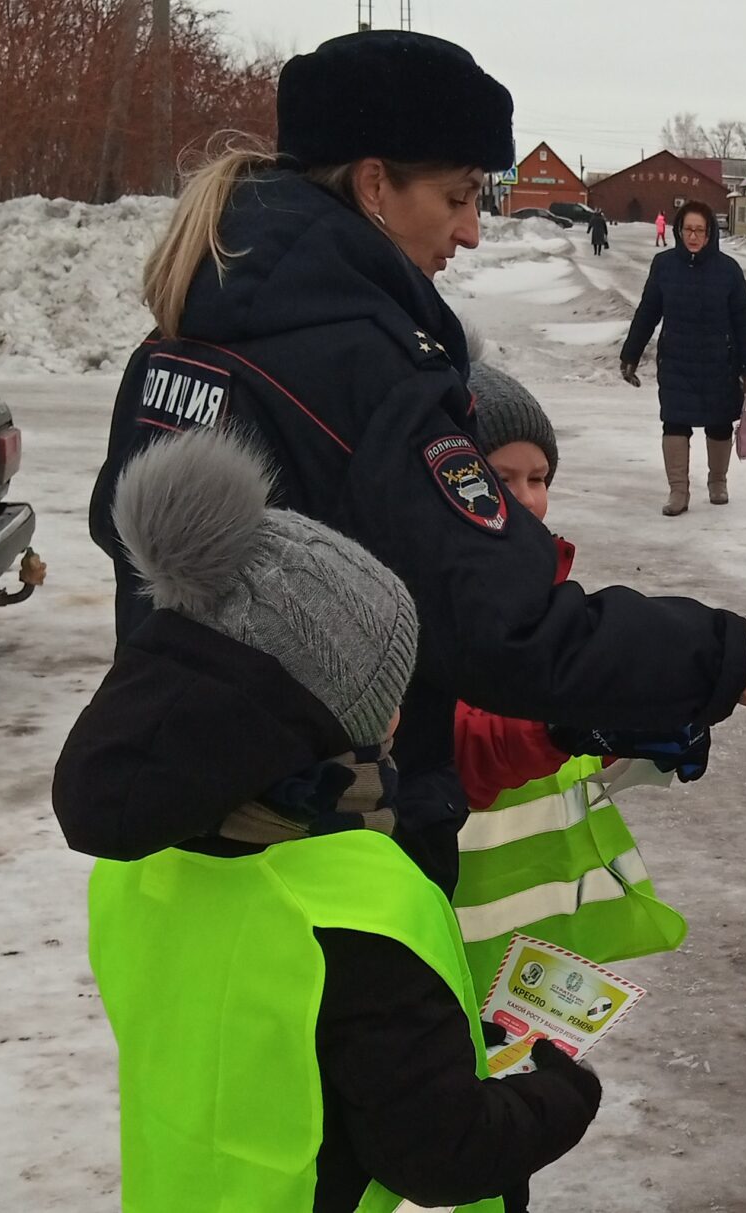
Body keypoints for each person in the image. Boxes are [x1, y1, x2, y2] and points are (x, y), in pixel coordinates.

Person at [87, 30, 746, 896]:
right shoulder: (364, 365)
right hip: (342, 860)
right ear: (373, 185)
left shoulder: (184, 336)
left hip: (194, 849)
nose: (472, 231)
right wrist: (715, 653)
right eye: (457, 196)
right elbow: (499, 623)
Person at [54, 429, 603, 1213]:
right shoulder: (358, 904)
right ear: (332, 719)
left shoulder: (139, 860)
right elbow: (443, 1152)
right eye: (388, 692)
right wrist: (561, 1092)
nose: (400, 713)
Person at [451, 359, 701, 991]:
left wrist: (633, 743)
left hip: (539, 949)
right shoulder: (437, 608)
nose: (528, 497)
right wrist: (576, 725)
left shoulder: (545, 596)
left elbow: (566, 771)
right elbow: (470, 746)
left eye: (538, 477)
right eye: (500, 477)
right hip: (451, 931)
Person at [618, 200, 746, 517]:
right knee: (674, 423)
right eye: (688, 229)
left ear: (710, 233)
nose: (693, 236)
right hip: (677, 361)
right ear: (678, 231)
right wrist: (630, 354)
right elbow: (647, 313)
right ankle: (678, 492)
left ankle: (718, 482)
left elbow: (744, 321)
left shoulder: (728, 271)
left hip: (719, 362)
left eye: (700, 230)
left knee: (720, 424)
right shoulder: (664, 266)